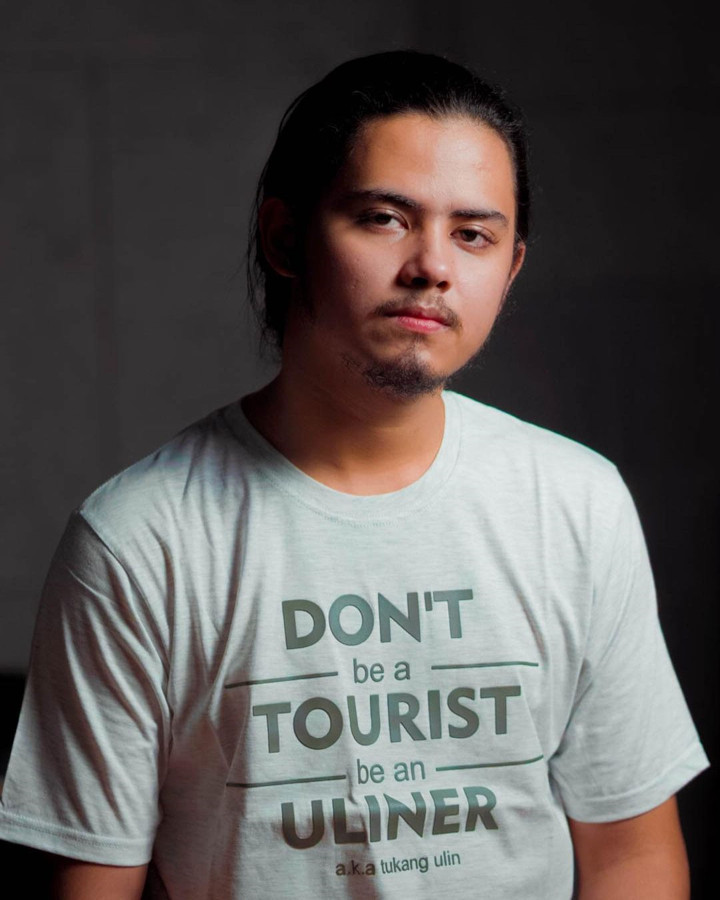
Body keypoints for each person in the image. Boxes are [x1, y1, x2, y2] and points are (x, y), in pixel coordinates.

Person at [0, 49, 709, 899]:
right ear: (285, 237)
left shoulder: (576, 504)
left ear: (510, 268)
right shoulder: (138, 542)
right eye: (384, 218)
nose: (433, 266)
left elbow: (632, 855)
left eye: (474, 235)